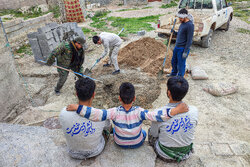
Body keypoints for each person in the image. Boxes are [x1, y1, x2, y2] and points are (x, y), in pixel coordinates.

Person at [66, 82, 189, 149]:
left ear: (119, 98)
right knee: (144, 133)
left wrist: (78, 107)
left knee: (113, 129)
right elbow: (156, 115)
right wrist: (175, 111)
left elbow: (95, 114)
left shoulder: (113, 112)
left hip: (119, 143)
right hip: (138, 143)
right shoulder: (140, 111)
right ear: (134, 98)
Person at [148, 76, 198, 162]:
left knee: (151, 132)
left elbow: (154, 134)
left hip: (164, 154)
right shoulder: (194, 110)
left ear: (169, 92)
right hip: (185, 153)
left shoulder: (158, 114)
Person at [59, 78, 111, 160]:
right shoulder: (100, 115)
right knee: (107, 127)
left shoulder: (63, 112)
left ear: (76, 94)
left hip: (73, 152)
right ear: (93, 95)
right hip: (95, 151)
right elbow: (108, 125)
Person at [167, 8, 194, 77]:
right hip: (177, 47)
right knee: (174, 62)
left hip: (182, 48)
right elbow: (180, 33)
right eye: (179, 17)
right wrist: (174, 32)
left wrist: (185, 51)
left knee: (181, 64)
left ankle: (180, 77)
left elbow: (189, 40)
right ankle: (173, 74)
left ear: (185, 17)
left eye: (181, 18)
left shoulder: (190, 25)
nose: (179, 19)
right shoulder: (182, 23)